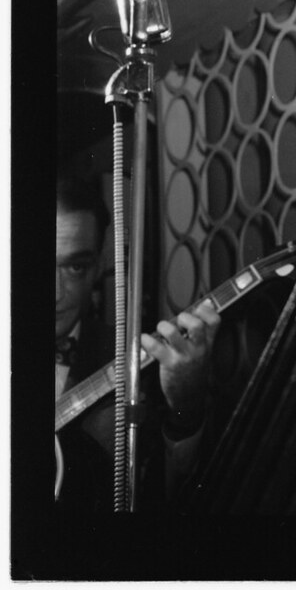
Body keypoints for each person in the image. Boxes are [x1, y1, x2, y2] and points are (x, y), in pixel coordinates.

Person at [55, 173, 220, 511]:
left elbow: (174, 499)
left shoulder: (131, 361)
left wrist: (185, 410)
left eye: (75, 267)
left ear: (100, 265)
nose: (54, 294)